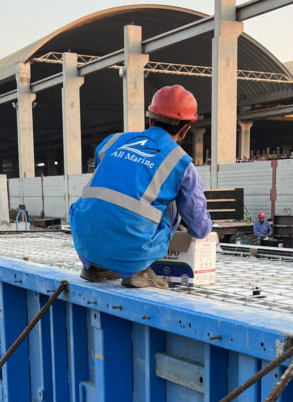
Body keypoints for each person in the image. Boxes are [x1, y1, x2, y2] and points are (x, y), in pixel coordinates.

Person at [69, 85, 213, 289]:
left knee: (102, 200)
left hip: (84, 239)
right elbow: (199, 228)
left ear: (151, 120)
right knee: (170, 203)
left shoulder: (112, 141)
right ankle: (138, 270)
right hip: (134, 251)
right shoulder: (181, 163)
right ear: (185, 130)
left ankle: (96, 268)